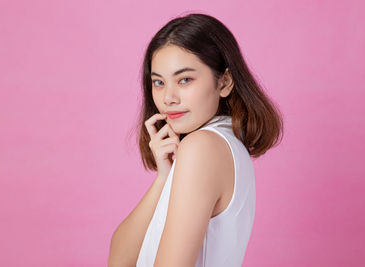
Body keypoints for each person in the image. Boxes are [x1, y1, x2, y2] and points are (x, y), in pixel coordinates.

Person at [108, 12, 284, 267]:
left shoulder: (203, 146)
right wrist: (163, 179)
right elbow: (118, 260)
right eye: (158, 82)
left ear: (224, 82)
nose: (168, 97)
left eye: (185, 79)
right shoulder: (223, 146)